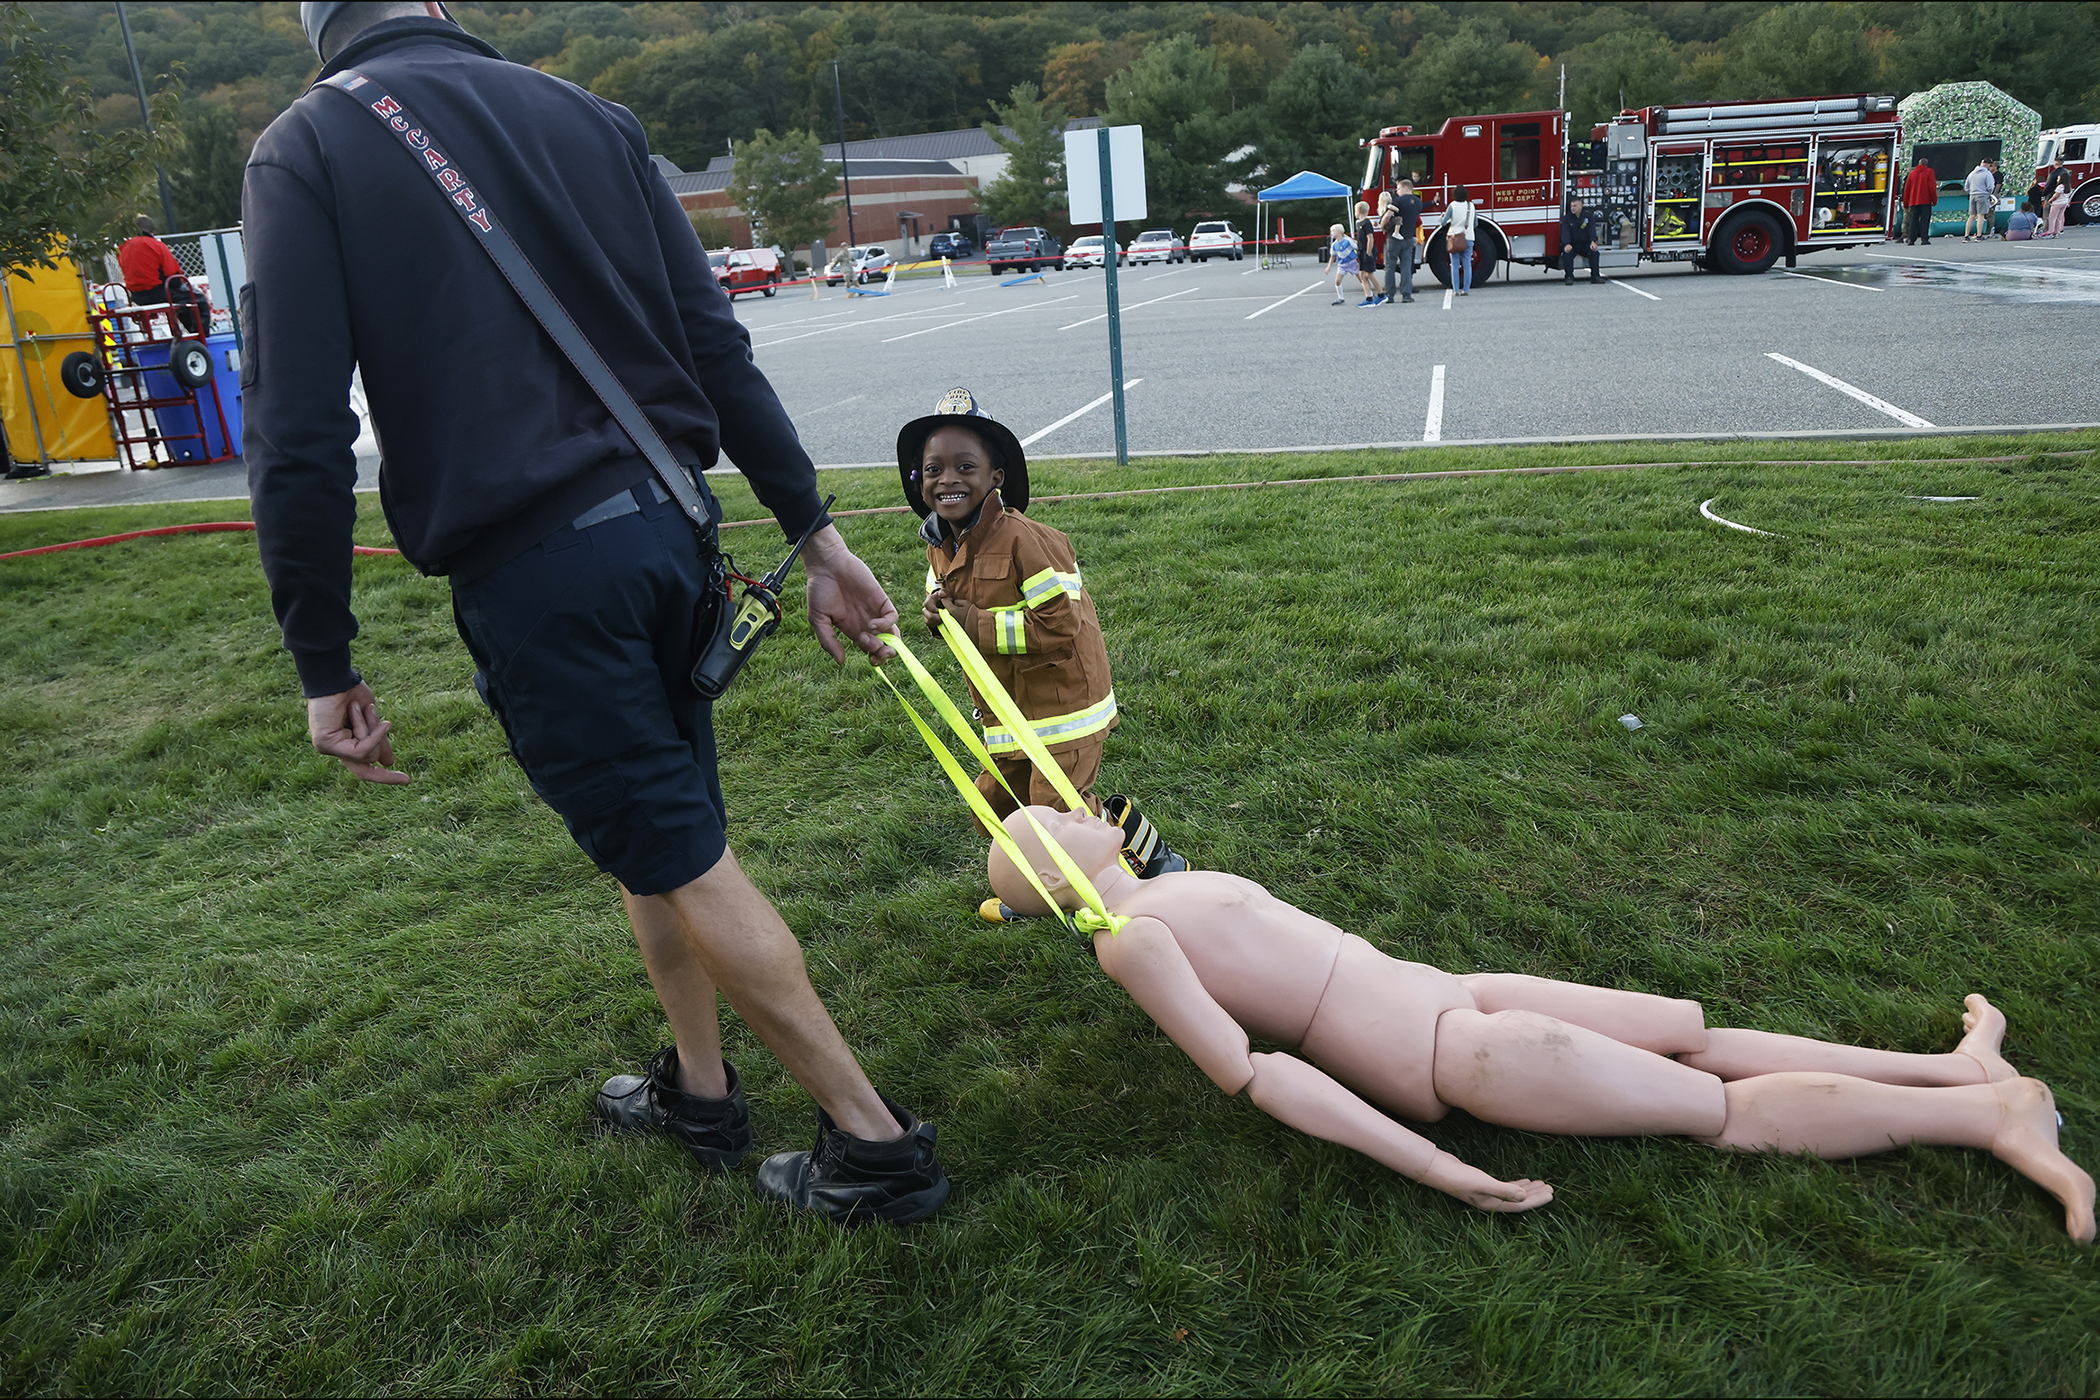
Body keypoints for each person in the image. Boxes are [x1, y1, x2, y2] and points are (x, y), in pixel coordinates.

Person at [245, 1, 949, 1226]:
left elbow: (297, 437)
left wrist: (324, 659)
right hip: (676, 533)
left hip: (540, 573)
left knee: (679, 847)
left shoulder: (306, 145)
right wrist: (811, 530)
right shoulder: (589, 114)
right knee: (658, 832)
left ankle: (875, 1145)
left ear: (322, 26)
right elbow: (715, 348)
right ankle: (701, 1087)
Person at [987, 805, 2097, 1241]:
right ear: (1056, 868)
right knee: (1713, 1107)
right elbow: (1255, 1073)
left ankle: (1948, 1069)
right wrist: (1439, 1167)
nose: (1074, 799)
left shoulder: (1152, 884)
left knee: (1693, 1031)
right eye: (1050, 814)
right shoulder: (1128, 939)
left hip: (1460, 988)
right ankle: (1994, 1116)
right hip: (1455, 1051)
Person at [901, 388, 1185, 923]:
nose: (948, 480)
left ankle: (1147, 868)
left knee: (1061, 813)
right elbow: (944, 594)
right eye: (933, 468)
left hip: (1062, 709)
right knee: (998, 808)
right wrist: (935, 612)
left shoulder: (1031, 542)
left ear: (997, 476)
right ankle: (1038, 887)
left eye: (966, 466)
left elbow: (1059, 627)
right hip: (1006, 711)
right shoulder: (940, 541)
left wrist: (970, 622)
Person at [116, 214, 201, 334]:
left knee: (181, 299)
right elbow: (174, 278)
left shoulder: (122, 248)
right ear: (152, 230)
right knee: (197, 299)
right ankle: (200, 335)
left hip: (136, 296)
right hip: (158, 294)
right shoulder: (156, 245)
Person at [1383, 181, 1422, 304]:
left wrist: (1383, 226)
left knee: (1390, 266)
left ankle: (1390, 295)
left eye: (1398, 188)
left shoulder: (1398, 201)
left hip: (1394, 239)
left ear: (1406, 188)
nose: (1397, 191)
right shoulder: (1418, 202)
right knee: (1406, 267)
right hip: (1409, 238)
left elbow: (1388, 215)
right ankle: (1406, 295)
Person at [1445, 184, 1478, 295]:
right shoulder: (1471, 205)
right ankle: (1466, 289)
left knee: (1454, 264)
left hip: (1454, 238)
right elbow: (1476, 223)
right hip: (1468, 237)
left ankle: (1456, 290)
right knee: (1467, 263)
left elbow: (1443, 222)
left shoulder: (1452, 206)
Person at [1559, 197, 1601, 283]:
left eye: (1575, 206)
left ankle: (1595, 276)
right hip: (1572, 244)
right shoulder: (1566, 218)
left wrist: (1593, 242)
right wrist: (1566, 244)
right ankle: (1569, 277)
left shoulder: (1588, 217)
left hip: (1585, 244)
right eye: (1571, 206)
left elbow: (1592, 230)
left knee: (1595, 253)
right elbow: (1565, 232)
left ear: (1581, 206)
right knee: (1567, 254)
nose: (1572, 208)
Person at [1902, 155, 1939, 246]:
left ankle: (1911, 239)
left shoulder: (1912, 174)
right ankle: (1924, 238)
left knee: (1913, 220)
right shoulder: (1929, 172)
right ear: (1926, 164)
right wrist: (1934, 200)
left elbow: (1907, 189)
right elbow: (1932, 187)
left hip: (1913, 201)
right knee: (1924, 220)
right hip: (1925, 200)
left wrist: (1905, 202)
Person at [1351, 201, 1383, 305]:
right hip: (1361, 251)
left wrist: (1368, 253)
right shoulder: (1359, 224)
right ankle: (1369, 297)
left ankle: (1381, 294)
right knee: (1362, 275)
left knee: (1369, 274)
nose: (1355, 212)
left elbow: (1370, 239)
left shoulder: (1366, 223)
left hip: (1367, 252)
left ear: (1359, 211)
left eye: (1355, 210)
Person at [1327, 223, 1364, 305]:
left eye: (1333, 231)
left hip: (1352, 263)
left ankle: (1370, 294)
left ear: (1339, 231)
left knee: (1361, 279)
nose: (1331, 233)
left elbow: (1357, 248)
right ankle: (1341, 298)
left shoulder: (1348, 241)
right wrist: (1328, 267)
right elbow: (1332, 256)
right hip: (1342, 265)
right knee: (1337, 281)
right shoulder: (1334, 245)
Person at [1964, 158, 1997, 241]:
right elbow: (1990, 187)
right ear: (1988, 164)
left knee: (1971, 216)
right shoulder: (1987, 174)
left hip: (1972, 195)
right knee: (1981, 215)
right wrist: (1989, 193)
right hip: (1983, 195)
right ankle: (1979, 235)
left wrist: (1972, 191)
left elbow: (1966, 187)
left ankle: (1966, 236)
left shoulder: (1971, 173)